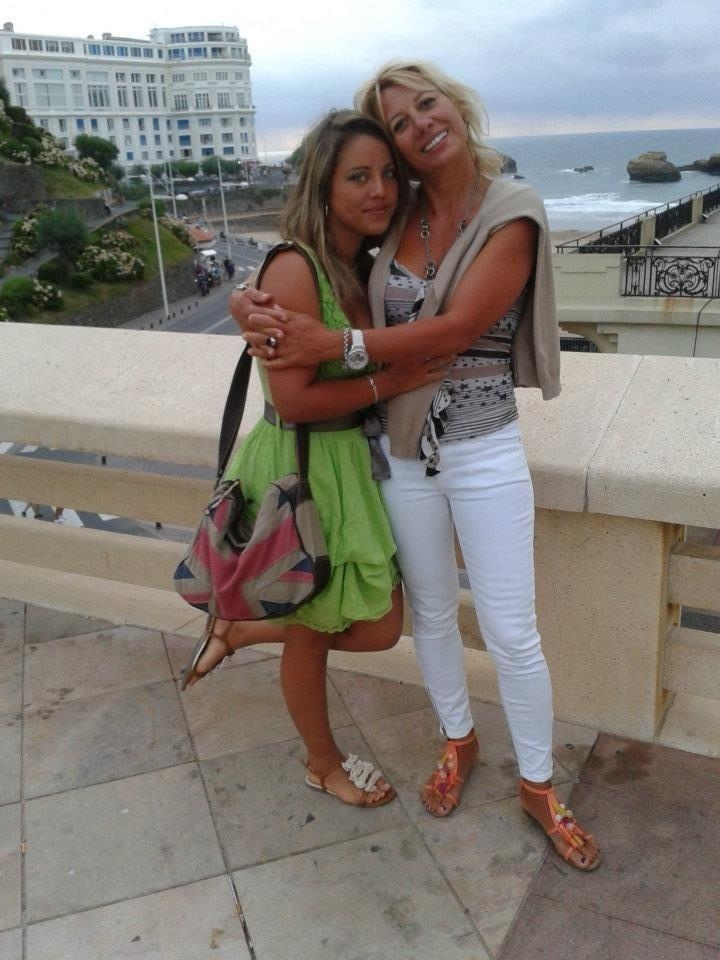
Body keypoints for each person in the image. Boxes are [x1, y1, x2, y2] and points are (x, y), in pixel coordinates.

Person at [232, 61, 601, 870]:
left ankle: (538, 784)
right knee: (429, 613)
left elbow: (458, 327)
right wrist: (247, 300)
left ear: (455, 106)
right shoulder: (389, 222)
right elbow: (312, 266)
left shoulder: (512, 210)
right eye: (399, 123)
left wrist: (339, 344)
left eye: (426, 105)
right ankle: (457, 740)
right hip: (400, 453)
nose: (419, 125)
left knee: (511, 630)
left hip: (484, 447)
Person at [181, 109, 451, 809]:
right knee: (313, 626)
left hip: (346, 462)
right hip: (303, 462)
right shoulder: (296, 267)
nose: (379, 190)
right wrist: (397, 379)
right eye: (358, 176)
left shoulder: (362, 264)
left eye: (388, 174)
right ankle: (323, 762)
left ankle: (241, 627)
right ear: (323, 186)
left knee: (376, 624)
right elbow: (294, 399)